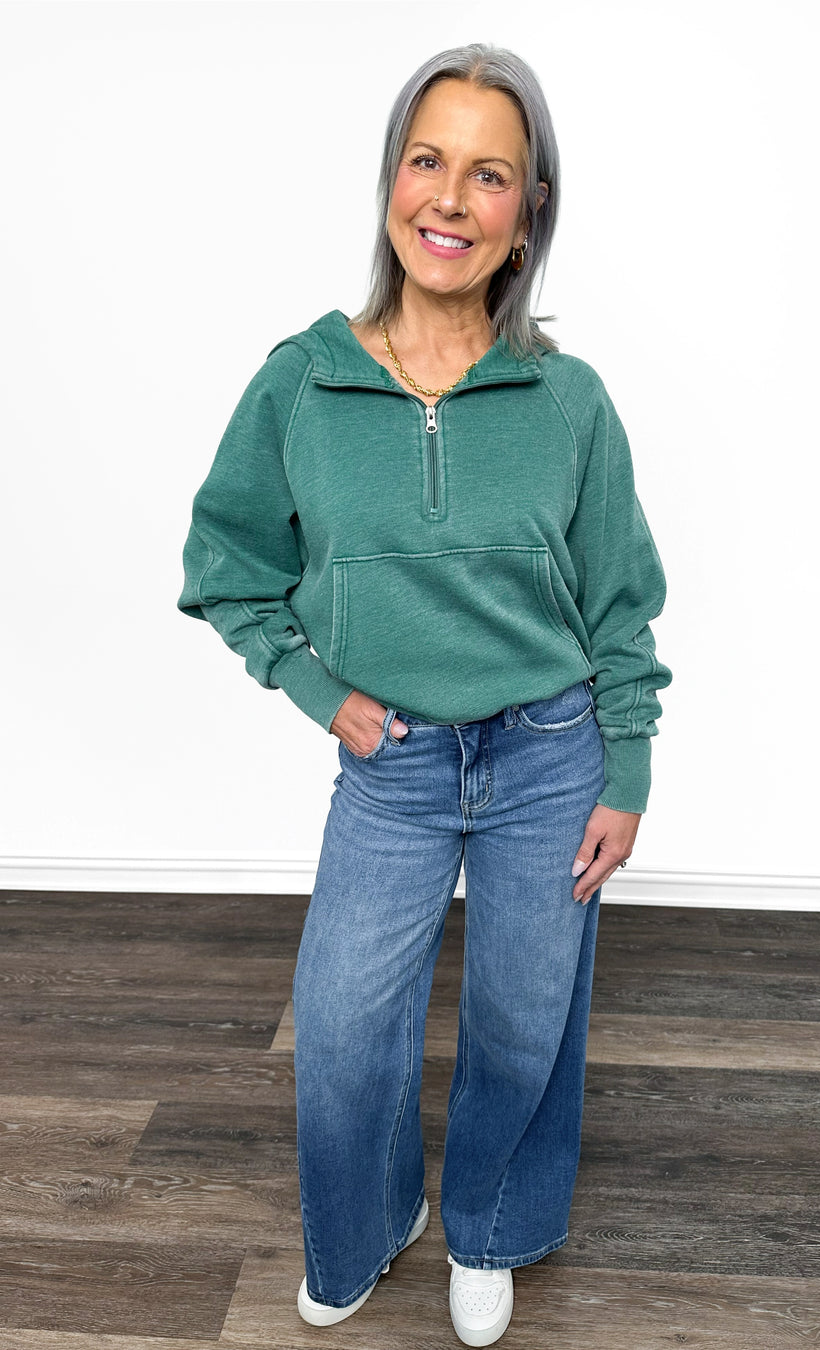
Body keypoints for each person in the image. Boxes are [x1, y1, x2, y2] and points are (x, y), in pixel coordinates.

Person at [177, 42, 672, 1348]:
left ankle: (492, 1227)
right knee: (341, 1027)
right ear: (392, 183)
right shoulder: (306, 378)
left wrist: (625, 767)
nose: (448, 199)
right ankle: (370, 1218)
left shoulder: (569, 401)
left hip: (552, 751)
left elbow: (621, 600)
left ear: (530, 215)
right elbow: (228, 560)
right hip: (391, 762)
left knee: (523, 1018)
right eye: (426, 160)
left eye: (488, 174)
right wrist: (311, 683)